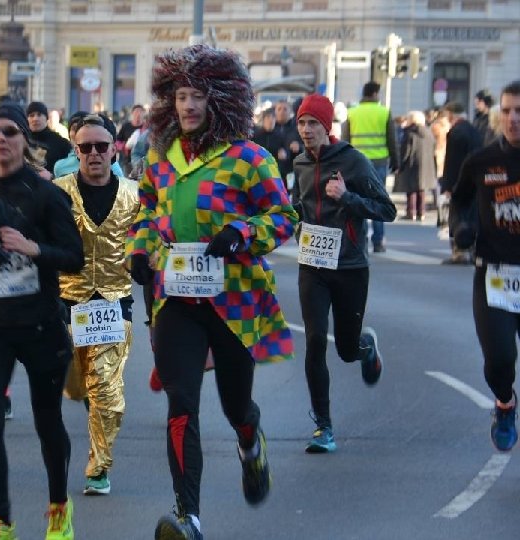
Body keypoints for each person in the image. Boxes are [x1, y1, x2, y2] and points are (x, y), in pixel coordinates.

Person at [125, 44, 298, 540]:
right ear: (169, 101)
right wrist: (141, 251)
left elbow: (283, 218)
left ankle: (250, 442)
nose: (188, 106)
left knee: (235, 405)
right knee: (181, 401)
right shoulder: (160, 157)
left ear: (220, 100)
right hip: (176, 301)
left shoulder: (250, 158)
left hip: (234, 302)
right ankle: (188, 516)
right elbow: (147, 211)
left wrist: (240, 234)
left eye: (198, 95)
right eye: (181, 95)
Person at [0, 103, 83, 540]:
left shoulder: (46, 194)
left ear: (25, 141)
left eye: (10, 131)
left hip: (42, 324)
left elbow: (75, 259)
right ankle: (1, 518)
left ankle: (59, 508)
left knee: (48, 421)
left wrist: (33, 248)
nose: (2, 139)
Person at [290, 94, 396, 453]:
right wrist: (296, 227)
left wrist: (347, 197)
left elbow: (387, 209)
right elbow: (296, 206)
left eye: (313, 124)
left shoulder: (353, 162)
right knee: (316, 340)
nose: (306, 130)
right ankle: (323, 426)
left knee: (346, 350)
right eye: (302, 123)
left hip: (350, 267)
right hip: (313, 267)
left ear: (327, 126)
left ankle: (366, 348)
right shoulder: (300, 163)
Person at [53, 113, 139, 497]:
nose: (93, 154)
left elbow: (154, 238)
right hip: (68, 303)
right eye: (85, 147)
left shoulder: (134, 195)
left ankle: (98, 466)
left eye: (100, 147)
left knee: (107, 389)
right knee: (76, 386)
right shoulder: (57, 192)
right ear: (76, 151)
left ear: (114, 150)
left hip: (113, 303)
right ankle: (89, 401)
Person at [451, 80, 520, 452]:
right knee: (499, 360)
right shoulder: (482, 162)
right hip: (495, 276)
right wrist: (461, 228)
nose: (513, 119)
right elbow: (459, 202)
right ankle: (505, 404)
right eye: (507, 111)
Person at [342, 81, 399, 252]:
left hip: (356, 163)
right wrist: (396, 161)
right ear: (375, 94)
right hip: (379, 162)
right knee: (379, 201)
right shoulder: (384, 112)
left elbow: (345, 139)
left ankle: (359, 240)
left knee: (356, 201)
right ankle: (379, 241)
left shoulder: (352, 113)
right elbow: (392, 139)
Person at [440, 102, 484, 264]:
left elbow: (451, 162)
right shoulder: (474, 130)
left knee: (457, 217)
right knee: (472, 215)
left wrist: (448, 186)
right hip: (475, 180)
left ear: (451, 115)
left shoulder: (455, 133)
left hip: (459, 181)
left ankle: (459, 251)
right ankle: (472, 249)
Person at [394, 111, 437, 222]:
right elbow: (433, 147)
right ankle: (421, 212)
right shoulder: (428, 132)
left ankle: (411, 212)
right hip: (427, 164)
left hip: (412, 164)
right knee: (421, 189)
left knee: (411, 189)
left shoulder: (409, 133)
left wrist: (400, 165)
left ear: (412, 120)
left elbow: (406, 151)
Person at [26, 101, 72, 175]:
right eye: (31, 115)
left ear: (46, 118)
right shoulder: (21, 140)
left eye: (39, 114)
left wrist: (52, 177)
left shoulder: (61, 143)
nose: (35, 119)